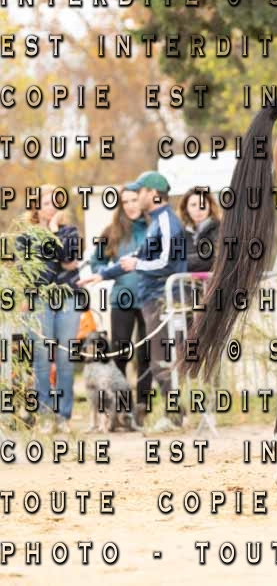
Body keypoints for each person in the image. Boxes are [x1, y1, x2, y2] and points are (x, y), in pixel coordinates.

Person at [79, 171, 188, 431]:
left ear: (153, 193)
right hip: (148, 298)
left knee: (159, 360)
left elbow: (166, 262)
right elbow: (135, 257)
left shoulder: (167, 222)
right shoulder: (156, 222)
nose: (136, 198)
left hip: (161, 298)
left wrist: (138, 264)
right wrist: (103, 275)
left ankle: (174, 417)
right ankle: (166, 415)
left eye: (139, 192)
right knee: (156, 361)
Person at [16, 184, 84, 433]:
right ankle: (44, 414)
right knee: (42, 359)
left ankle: (63, 416)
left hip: (68, 298)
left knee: (65, 358)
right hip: (39, 300)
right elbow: (33, 272)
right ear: (36, 207)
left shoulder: (70, 231)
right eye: (46, 203)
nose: (52, 207)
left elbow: (68, 260)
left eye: (56, 202)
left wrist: (54, 233)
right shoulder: (26, 236)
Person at [87, 188, 151, 405]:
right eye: (126, 202)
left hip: (149, 299)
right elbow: (96, 263)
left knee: (146, 354)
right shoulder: (111, 232)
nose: (131, 205)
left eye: (134, 200)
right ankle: (122, 407)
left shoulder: (154, 228)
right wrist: (111, 270)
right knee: (121, 353)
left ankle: (143, 405)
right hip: (122, 299)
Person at [180, 188, 221, 273]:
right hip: (186, 280)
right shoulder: (181, 232)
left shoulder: (219, 228)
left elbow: (212, 258)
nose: (198, 209)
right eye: (193, 205)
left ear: (210, 206)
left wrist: (180, 262)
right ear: (186, 208)